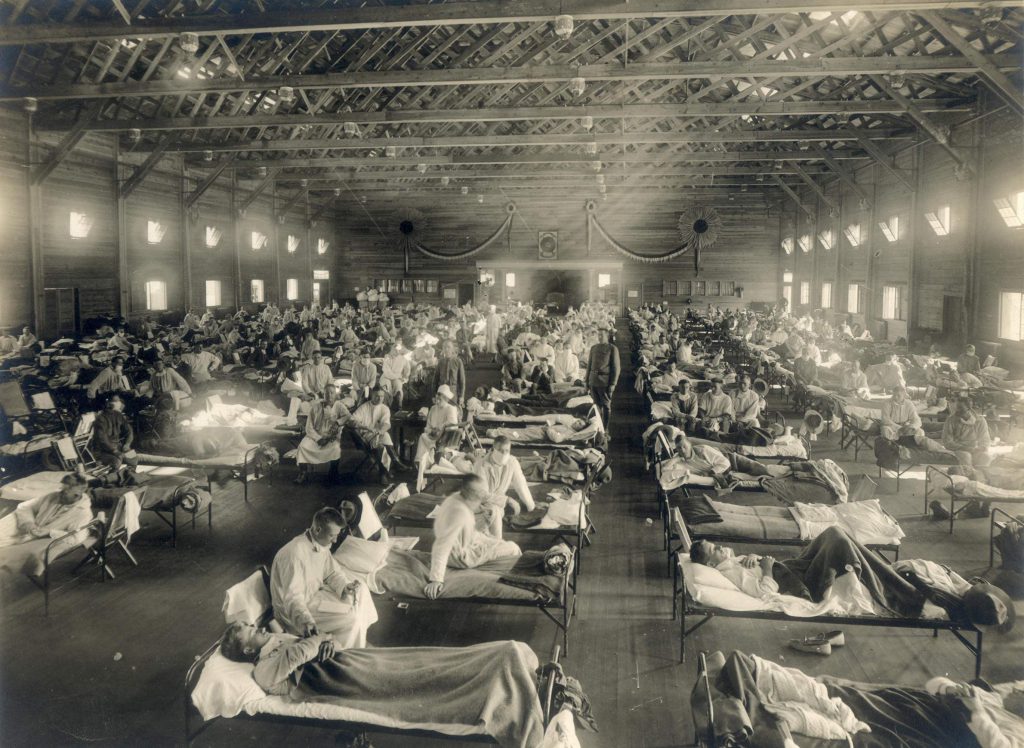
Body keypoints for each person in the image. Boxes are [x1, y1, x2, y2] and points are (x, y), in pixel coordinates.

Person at [690, 527, 1016, 631]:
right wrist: (763, 568)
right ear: (711, 563)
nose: (722, 547)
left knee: (835, 534)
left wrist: (752, 560)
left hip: (789, 570)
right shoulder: (729, 574)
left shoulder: (730, 564)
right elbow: (763, 593)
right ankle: (888, 582)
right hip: (801, 588)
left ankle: (874, 568)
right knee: (842, 543)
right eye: (715, 549)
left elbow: (748, 568)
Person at [270, 507, 378, 648]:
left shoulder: (320, 543)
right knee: (351, 618)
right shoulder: (293, 555)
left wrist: (345, 587)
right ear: (318, 530)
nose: (334, 541)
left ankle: (357, 637)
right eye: (332, 536)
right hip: (296, 613)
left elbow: (332, 573)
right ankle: (348, 653)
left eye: (336, 535)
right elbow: (293, 599)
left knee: (361, 589)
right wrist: (306, 622)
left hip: (313, 597)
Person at [425, 474, 522, 599]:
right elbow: (441, 546)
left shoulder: (456, 498)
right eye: (479, 498)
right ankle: (519, 579)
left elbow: (485, 495)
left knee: (498, 540)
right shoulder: (459, 513)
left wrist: (507, 501)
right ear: (473, 496)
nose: (482, 500)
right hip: (462, 557)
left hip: (468, 541)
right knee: (513, 548)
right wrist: (436, 579)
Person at [0, 473, 92, 579]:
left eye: (64, 492)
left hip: (42, 537)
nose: (60, 493)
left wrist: (49, 532)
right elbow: (25, 507)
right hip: (30, 527)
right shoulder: (53, 496)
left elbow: (77, 538)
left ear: (77, 495)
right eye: (61, 489)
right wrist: (28, 522)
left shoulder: (82, 513)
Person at [471, 436, 537, 534]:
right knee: (493, 512)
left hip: (497, 504)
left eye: (507, 451)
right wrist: (507, 500)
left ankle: (494, 542)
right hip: (479, 504)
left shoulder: (512, 462)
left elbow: (521, 485)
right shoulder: (481, 465)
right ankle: (496, 543)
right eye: (501, 450)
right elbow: (482, 495)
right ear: (493, 449)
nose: (504, 454)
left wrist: (531, 506)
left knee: (496, 511)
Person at [294, 384, 351, 484]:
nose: (329, 395)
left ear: (335, 394)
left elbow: (348, 416)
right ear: (323, 395)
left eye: (332, 393)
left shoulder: (339, 406)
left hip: (331, 436)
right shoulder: (315, 407)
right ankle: (303, 473)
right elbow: (309, 427)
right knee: (302, 446)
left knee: (335, 449)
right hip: (315, 435)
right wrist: (318, 438)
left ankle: (333, 473)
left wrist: (338, 422)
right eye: (326, 393)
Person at [90, 394, 138, 471]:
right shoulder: (100, 418)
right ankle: (112, 480)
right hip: (103, 451)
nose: (117, 403)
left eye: (117, 401)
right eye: (114, 401)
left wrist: (127, 444)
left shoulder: (119, 415)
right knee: (116, 462)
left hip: (118, 447)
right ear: (107, 403)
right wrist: (114, 451)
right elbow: (102, 439)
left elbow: (129, 431)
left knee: (133, 457)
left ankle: (127, 477)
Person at [415, 385, 460, 462]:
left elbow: (454, 426)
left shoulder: (451, 409)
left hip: (444, 438)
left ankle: (427, 459)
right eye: (436, 399)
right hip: (432, 435)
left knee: (424, 438)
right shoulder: (433, 408)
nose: (437, 401)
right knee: (423, 436)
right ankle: (421, 461)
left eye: (440, 399)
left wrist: (441, 428)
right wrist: (430, 431)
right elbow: (428, 425)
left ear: (446, 399)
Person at [586, 328, 620, 432]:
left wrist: (613, 384)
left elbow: (616, 368)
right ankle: (599, 429)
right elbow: (589, 366)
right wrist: (587, 381)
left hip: (604, 382)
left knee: (606, 406)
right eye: (599, 335)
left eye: (602, 335)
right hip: (593, 381)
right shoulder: (593, 348)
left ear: (607, 336)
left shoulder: (612, 348)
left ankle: (605, 429)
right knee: (596, 406)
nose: (600, 337)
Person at [433, 339, 466, 405]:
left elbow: (462, 381)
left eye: (448, 347)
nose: (446, 349)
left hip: (453, 391)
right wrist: (434, 395)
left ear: (453, 349)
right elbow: (435, 381)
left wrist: (461, 396)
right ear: (443, 349)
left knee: (452, 411)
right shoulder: (440, 362)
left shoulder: (458, 361)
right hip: (441, 391)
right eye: (444, 347)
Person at [379, 343, 411, 409]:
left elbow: (407, 368)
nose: (397, 352)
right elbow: (387, 373)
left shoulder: (403, 359)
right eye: (395, 350)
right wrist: (398, 376)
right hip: (386, 377)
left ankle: (399, 405)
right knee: (387, 387)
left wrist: (405, 377)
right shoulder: (387, 357)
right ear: (391, 350)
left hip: (397, 378)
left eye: (398, 350)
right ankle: (386, 406)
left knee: (398, 388)